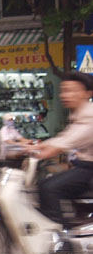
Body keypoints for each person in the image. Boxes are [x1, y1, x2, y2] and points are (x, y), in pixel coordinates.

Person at [28, 72, 93, 226]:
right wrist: (36, 146)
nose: (65, 95)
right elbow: (63, 137)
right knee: (47, 182)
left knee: (49, 187)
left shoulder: (89, 116)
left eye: (72, 90)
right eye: (63, 90)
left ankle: (57, 234)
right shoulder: (78, 115)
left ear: (87, 93)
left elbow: (68, 142)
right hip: (83, 167)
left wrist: (41, 153)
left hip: (89, 170)